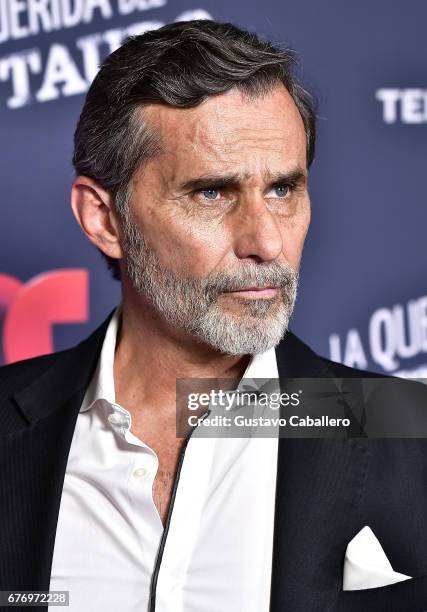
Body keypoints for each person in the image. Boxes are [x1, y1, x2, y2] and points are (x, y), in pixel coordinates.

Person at [1, 19, 427, 612]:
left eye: (282, 189)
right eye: (211, 193)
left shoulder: (411, 431)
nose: (267, 242)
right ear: (104, 219)